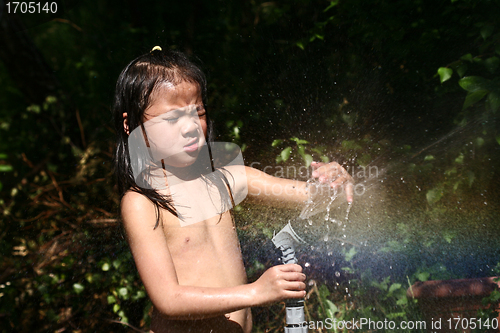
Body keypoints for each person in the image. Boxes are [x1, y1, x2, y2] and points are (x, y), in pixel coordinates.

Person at [113, 47, 353, 333]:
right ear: (131, 125)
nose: (190, 126)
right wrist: (255, 292)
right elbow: (169, 299)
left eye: (197, 112)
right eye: (172, 118)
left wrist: (334, 183)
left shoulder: (226, 181)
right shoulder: (143, 203)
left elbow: (316, 198)